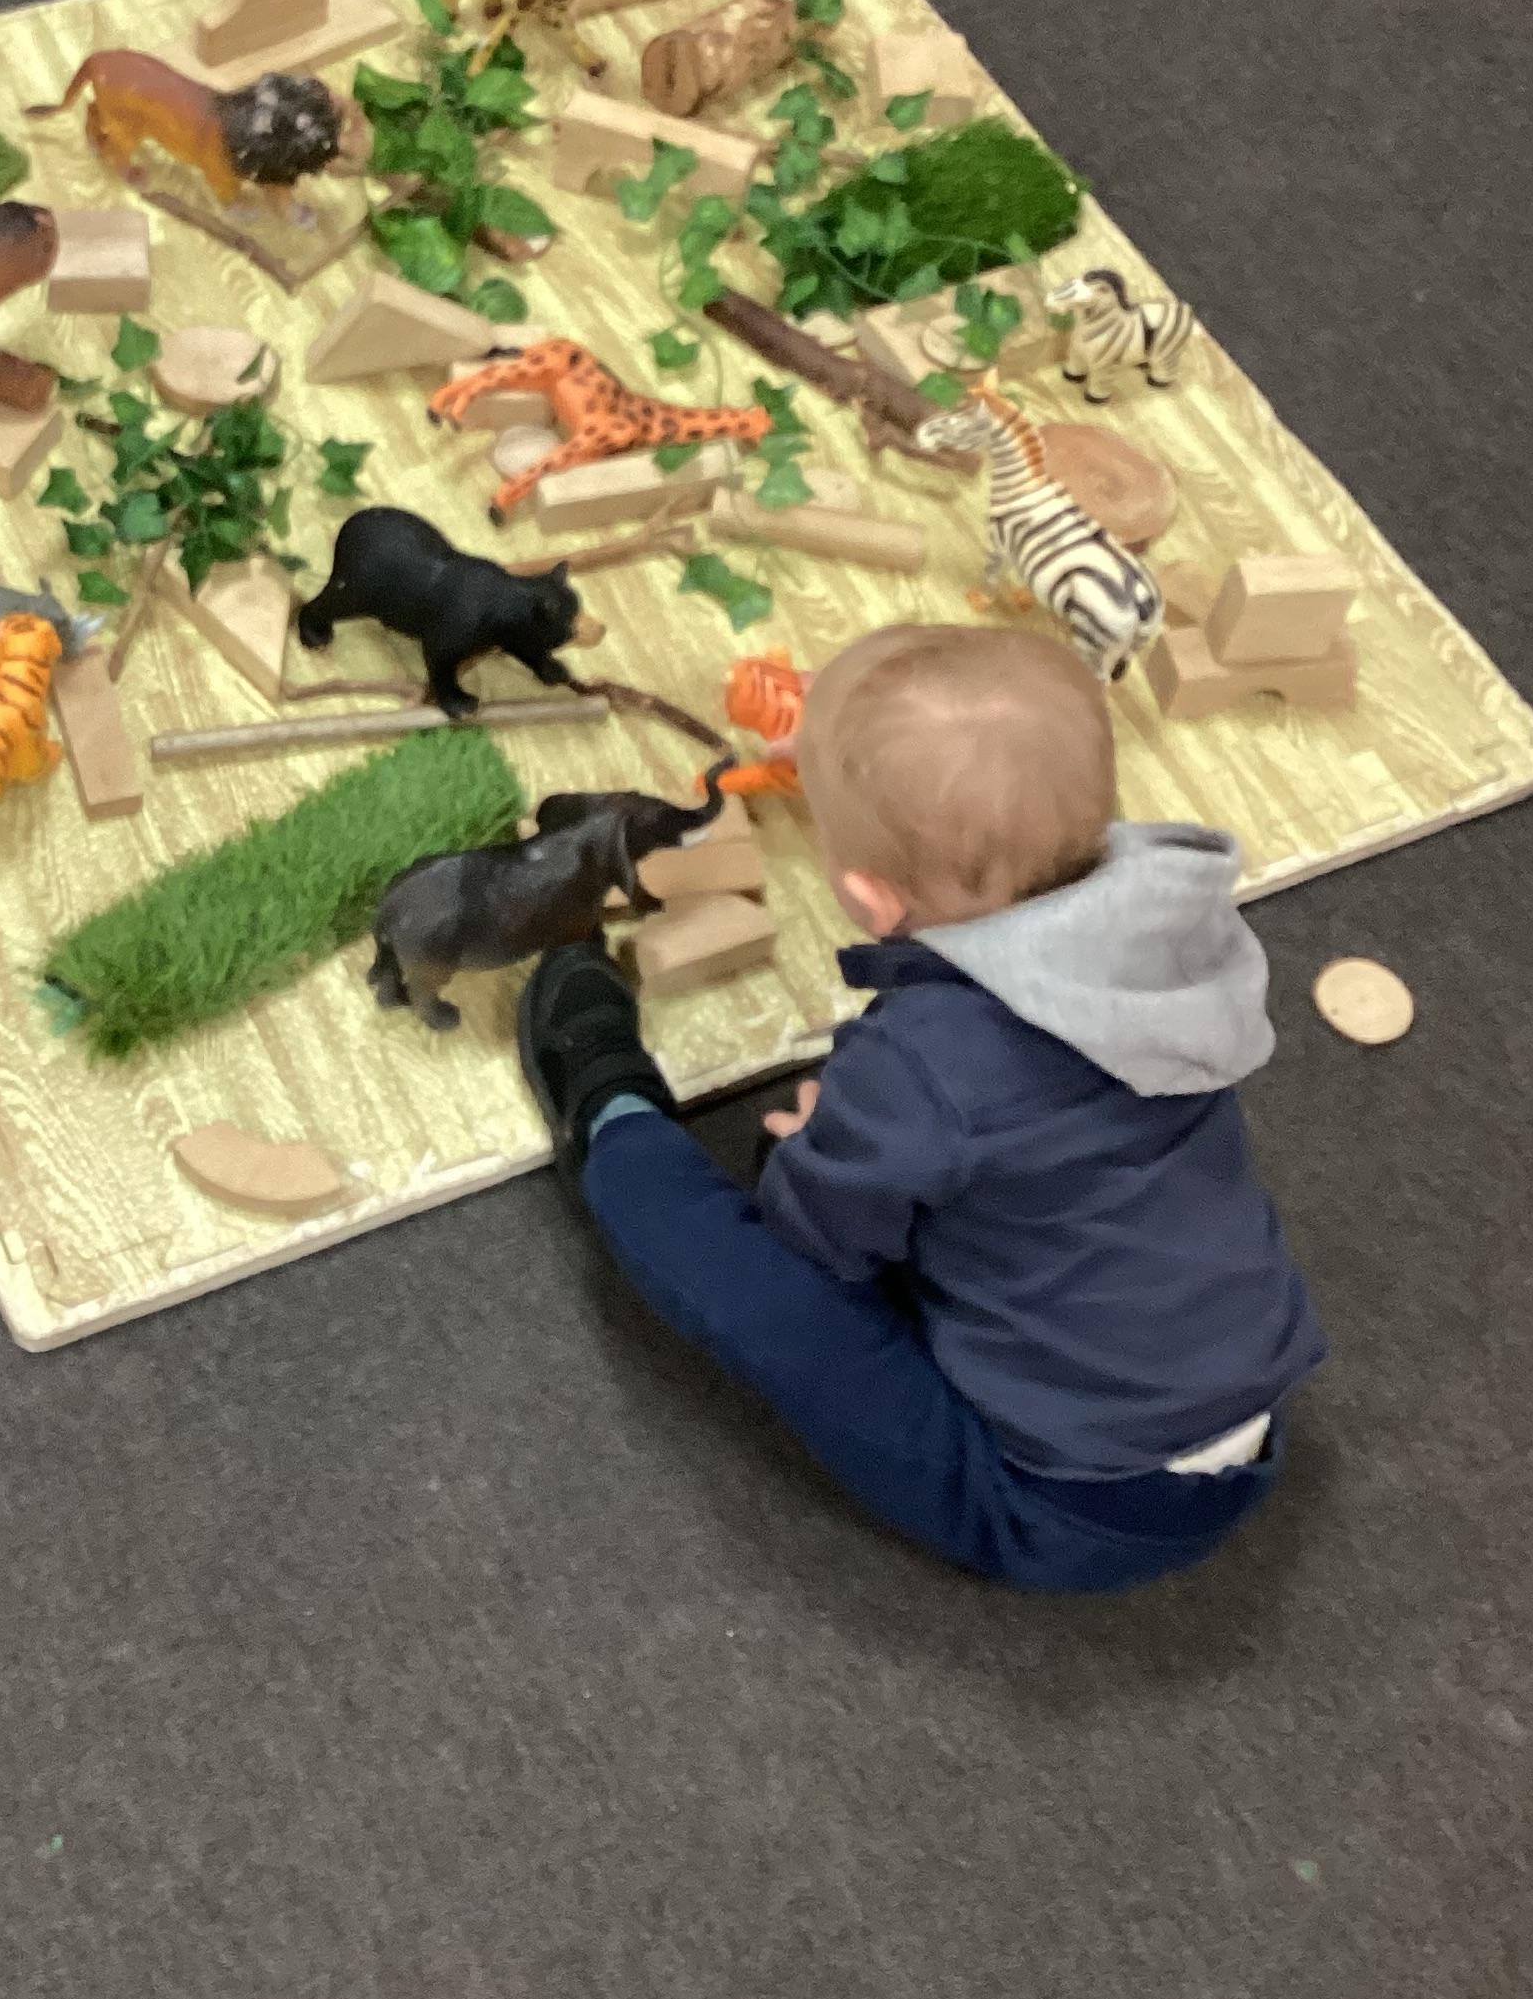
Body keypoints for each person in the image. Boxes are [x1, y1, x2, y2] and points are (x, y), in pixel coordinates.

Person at [516, 623, 1325, 1592]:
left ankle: (610, 1113)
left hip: (1067, 1509)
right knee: (1005, 1173)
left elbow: (814, 1243)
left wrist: (817, 1154)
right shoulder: (1170, 927)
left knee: (741, 1277)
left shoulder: (925, 1061)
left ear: (869, 900)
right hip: (1243, 1406)